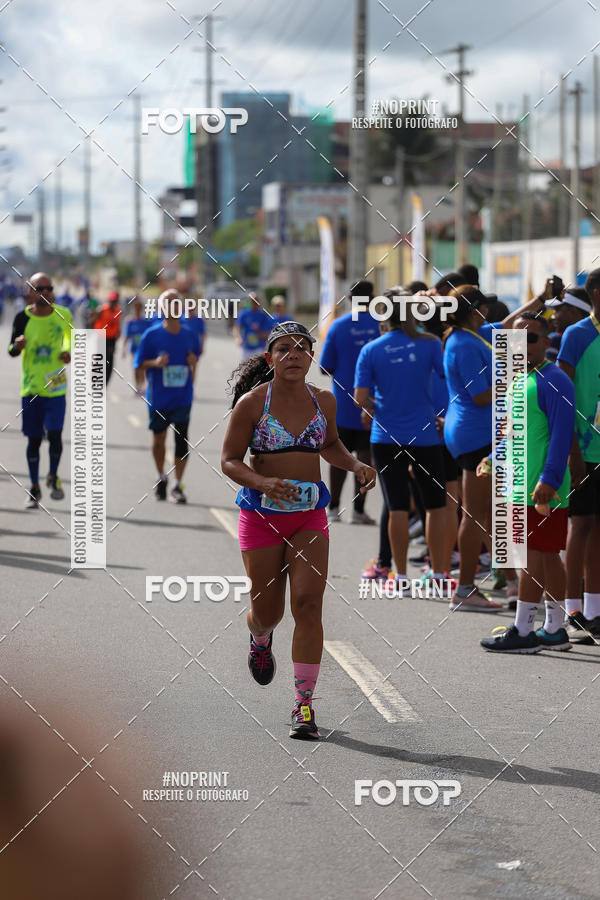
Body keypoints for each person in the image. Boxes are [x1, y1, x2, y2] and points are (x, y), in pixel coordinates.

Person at [221, 321, 376, 740]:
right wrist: (264, 483)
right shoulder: (253, 403)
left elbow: (329, 445)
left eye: (302, 348)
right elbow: (230, 460)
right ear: (270, 358)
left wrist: (355, 464)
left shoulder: (323, 400)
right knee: (268, 611)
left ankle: (303, 705)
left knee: (307, 605)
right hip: (262, 516)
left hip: (310, 515)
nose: (294, 354)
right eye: (284, 349)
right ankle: (259, 636)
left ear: (311, 358)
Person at [480, 313, 575, 652]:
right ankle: (554, 628)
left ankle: (523, 631)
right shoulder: (521, 380)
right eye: (517, 339)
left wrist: (549, 479)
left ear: (547, 343)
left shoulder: (555, 380)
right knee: (548, 556)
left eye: (531, 338)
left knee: (530, 556)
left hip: (539, 487)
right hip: (520, 483)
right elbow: (514, 432)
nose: (523, 345)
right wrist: (494, 458)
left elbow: (563, 436)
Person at [354, 290, 449, 591]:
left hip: (386, 436)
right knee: (435, 505)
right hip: (425, 433)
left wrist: (373, 406)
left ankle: (401, 575)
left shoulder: (371, 349)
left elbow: (359, 398)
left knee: (396, 506)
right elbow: (447, 378)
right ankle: (439, 574)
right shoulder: (431, 344)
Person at [441, 286, 504, 611]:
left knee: (490, 511)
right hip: (475, 434)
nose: (488, 313)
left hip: (474, 431)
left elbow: (512, 322)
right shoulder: (463, 343)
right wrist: (515, 379)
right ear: (473, 311)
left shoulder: (470, 334)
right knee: (477, 513)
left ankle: (506, 578)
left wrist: (541, 301)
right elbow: (480, 396)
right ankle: (465, 590)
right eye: (483, 307)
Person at [557, 268, 600, 643]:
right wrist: (572, 450)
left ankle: (595, 608)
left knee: (598, 527)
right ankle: (572, 609)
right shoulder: (577, 334)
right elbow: (563, 398)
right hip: (585, 449)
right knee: (581, 525)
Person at [8, 273, 72, 508]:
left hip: (56, 386)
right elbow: (11, 350)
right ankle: (34, 487)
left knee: (55, 435)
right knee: (34, 440)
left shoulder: (63, 314)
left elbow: (69, 339)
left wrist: (67, 352)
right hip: (32, 387)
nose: (45, 292)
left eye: (49, 288)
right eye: (40, 288)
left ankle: (53, 476)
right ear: (30, 292)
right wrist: (16, 345)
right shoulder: (21, 318)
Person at [319, 280, 380, 524]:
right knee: (364, 457)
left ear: (350, 299)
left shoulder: (338, 325)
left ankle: (333, 508)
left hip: (342, 404)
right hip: (372, 405)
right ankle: (359, 510)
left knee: (338, 455)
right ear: (373, 298)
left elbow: (325, 367)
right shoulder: (381, 326)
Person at [135, 289, 200, 504]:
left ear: (181, 308)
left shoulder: (190, 334)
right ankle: (161, 475)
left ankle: (177, 485)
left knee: (182, 440)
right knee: (159, 439)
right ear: (161, 308)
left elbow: (194, 358)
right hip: (159, 397)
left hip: (183, 396)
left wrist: (193, 363)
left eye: (176, 303)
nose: (172, 306)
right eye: (167, 303)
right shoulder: (151, 335)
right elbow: (139, 363)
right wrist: (155, 363)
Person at [545, 287, 591, 362]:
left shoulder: (556, 341)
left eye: (557, 310)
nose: (553, 317)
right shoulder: (595, 339)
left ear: (573, 311)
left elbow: (547, 373)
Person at [91, 290, 121, 384]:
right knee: (99, 358)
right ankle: (95, 378)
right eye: (111, 301)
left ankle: (105, 382)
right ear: (109, 300)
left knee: (109, 360)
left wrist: (118, 334)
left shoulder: (118, 310)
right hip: (101, 337)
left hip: (112, 339)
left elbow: (118, 324)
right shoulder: (102, 309)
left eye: (115, 301)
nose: (113, 303)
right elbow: (92, 321)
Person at [122, 298, 151, 394]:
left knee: (142, 368)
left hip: (144, 349)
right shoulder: (130, 321)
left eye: (139, 308)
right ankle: (137, 385)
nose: (137, 310)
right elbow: (126, 336)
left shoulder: (146, 321)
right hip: (134, 349)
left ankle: (141, 386)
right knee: (135, 368)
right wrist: (123, 349)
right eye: (136, 308)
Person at [234, 293, 272, 359]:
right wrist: (238, 338)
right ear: (249, 301)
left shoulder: (263, 315)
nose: (254, 302)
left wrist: (258, 332)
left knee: (259, 368)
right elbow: (237, 328)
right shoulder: (243, 314)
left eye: (256, 300)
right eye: (252, 300)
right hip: (245, 348)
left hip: (259, 348)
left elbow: (267, 334)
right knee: (244, 368)